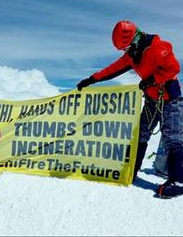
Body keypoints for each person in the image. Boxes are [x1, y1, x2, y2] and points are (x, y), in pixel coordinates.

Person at [77, 20, 183, 198]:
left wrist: (151, 80)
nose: (126, 52)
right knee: (140, 136)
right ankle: (130, 170)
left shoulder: (158, 47)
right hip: (151, 101)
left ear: (135, 39)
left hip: (170, 100)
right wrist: (92, 79)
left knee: (173, 139)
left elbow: (173, 68)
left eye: (126, 47)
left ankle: (177, 181)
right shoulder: (132, 56)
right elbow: (114, 69)